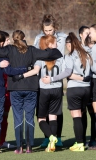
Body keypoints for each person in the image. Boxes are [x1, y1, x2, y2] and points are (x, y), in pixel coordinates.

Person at [0, 30, 62, 154]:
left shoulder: (9, 50)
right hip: (31, 88)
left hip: (15, 88)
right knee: (29, 117)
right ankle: (29, 147)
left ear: (13, 39)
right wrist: (56, 51)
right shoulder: (32, 50)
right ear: (24, 38)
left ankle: (19, 147)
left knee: (18, 118)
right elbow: (50, 54)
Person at [41, 32, 96, 151]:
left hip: (74, 89)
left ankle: (79, 143)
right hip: (87, 89)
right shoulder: (87, 55)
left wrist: (52, 79)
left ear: (69, 45)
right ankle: (82, 143)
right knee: (82, 114)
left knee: (76, 116)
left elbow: (67, 72)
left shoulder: (69, 56)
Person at [13, 34, 63, 152]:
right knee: (53, 117)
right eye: (55, 42)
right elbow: (66, 71)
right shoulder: (60, 57)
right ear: (49, 44)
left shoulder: (40, 58)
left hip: (44, 90)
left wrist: (21, 76)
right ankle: (53, 142)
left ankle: (51, 137)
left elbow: (35, 71)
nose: (57, 44)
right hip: (57, 89)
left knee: (41, 118)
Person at [34, 14, 67, 147]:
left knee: (56, 112)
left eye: (50, 30)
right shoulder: (38, 38)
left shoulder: (63, 38)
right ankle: (48, 138)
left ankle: (57, 137)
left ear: (55, 28)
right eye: (45, 30)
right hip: (43, 79)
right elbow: (35, 54)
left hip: (57, 78)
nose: (48, 33)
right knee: (45, 111)